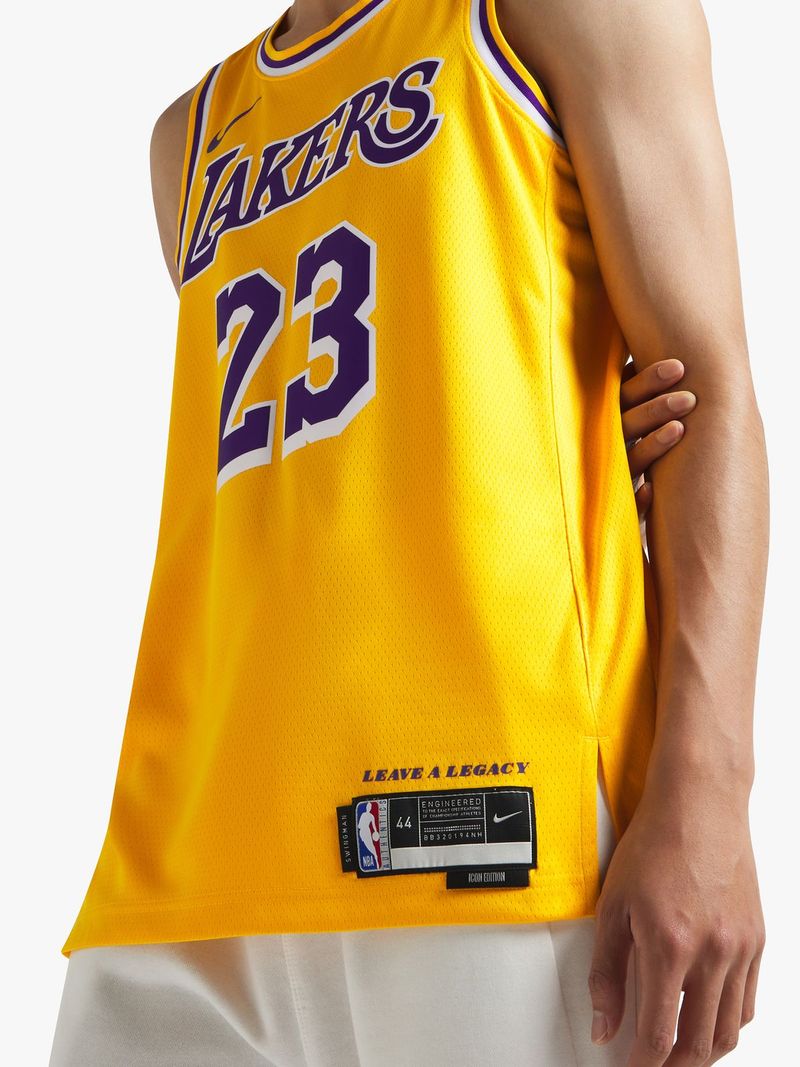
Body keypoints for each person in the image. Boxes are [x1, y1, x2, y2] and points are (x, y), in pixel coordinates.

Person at [50, 1, 768, 1064]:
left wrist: (709, 790)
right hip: (188, 855)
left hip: (487, 821)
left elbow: (705, 388)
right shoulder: (187, 141)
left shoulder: (547, 15)